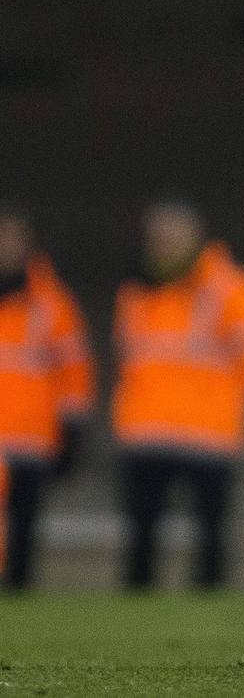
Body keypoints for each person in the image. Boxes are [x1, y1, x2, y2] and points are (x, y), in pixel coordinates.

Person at [111, 199, 244, 588]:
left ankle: (209, 620)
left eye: (172, 236)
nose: (163, 245)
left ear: (196, 237)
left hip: (209, 434)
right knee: (140, 538)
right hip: (145, 431)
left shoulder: (231, 288)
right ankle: (137, 619)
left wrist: (214, 394)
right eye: (157, 237)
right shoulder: (137, 290)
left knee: (210, 539)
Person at [0, 202, 95, 590]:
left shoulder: (52, 303)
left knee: (24, 530)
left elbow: (73, 372)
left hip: (30, 436)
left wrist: (71, 432)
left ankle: (19, 598)